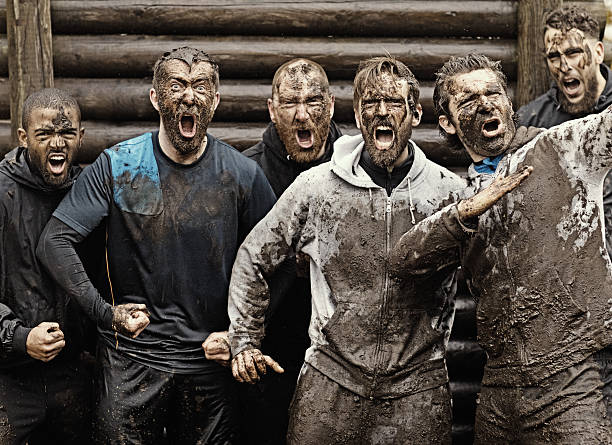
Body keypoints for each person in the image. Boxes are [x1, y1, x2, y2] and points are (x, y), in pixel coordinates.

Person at [37, 47, 276, 444]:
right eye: (177, 85)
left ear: (215, 101)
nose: (189, 97)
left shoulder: (242, 175)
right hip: (131, 361)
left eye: (201, 87)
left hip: (208, 365)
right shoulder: (121, 165)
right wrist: (105, 313)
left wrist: (243, 334)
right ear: (155, 98)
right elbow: (54, 242)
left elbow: (278, 264)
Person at [227, 56, 467, 444]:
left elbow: (492, 275)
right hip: (330, 382)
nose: (381, 112)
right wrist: (244, 340)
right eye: (370, 103)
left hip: (417, 391)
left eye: (393, 102)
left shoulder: (447, 193)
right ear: (356, 114)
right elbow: (253, 257)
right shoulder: (317, 188)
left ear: (416, 113)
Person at [390, 53, 612, 444]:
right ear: (448, 123)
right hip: (499, 388)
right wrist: (466, 212)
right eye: (469, 100)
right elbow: (404, 261)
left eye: (493, 93)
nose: (486, 103)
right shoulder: (460, 200)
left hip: (575, 378)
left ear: (509, 104)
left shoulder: (564, 148)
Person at [238, 58, 341, 444]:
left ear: (330, 106)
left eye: (313, 101)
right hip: (269, 356)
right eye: (289, 102)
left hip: (342, 355)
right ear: (271, 109)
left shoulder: (359, 167)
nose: (302, 114)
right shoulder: (246, 174)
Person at [517, 6, 612, 414]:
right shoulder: (532, 120)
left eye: (573, 53)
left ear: (597, 50)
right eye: (554, 57)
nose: (563, 66)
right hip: (566, 302)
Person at [0, 88, 95, 444]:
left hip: (74, 376)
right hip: (9, 377)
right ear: (23, 138)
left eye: (67, 133)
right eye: (44, 134)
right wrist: (21, 338)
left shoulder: (91, 192)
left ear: (81, 136)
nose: (57, 143)